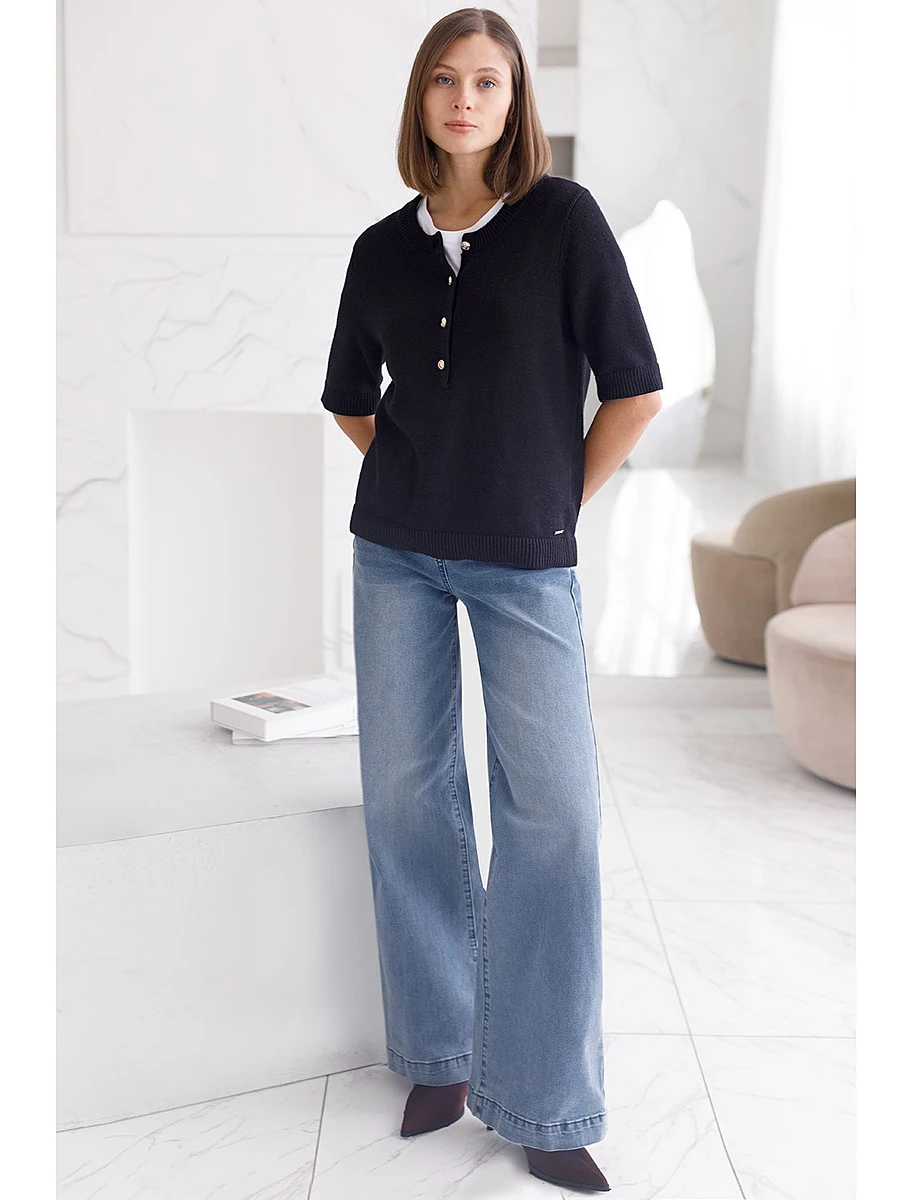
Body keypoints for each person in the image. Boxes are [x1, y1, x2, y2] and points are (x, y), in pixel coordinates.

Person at [320, 7, 663, 1193]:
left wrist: (547, 499)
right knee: (409, 798)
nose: (465, 100)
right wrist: (421, 478)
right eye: (445, 80)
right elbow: (349, 397)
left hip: (525, 559)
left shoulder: (563, 221)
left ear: (516, 102)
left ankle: (548, 1104)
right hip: (396, 554)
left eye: (488, 82)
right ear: (420, 99)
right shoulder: (380, 249)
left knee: (553, 815)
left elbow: (635, 389)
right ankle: (440, 1050)